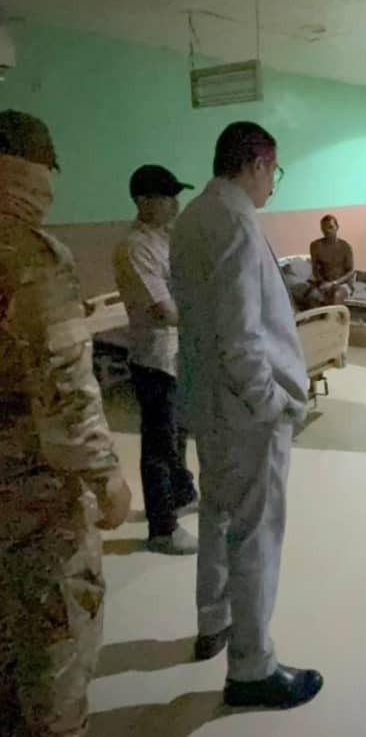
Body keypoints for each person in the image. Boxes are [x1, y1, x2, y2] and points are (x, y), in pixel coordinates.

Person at [170, 121, 323, 710]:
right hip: (245, 411)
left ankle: (213, 621)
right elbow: (241, 334)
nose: (273, 185)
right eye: (273, 172)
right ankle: (252, 667)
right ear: (256, 163)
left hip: (208, 401)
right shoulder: (236, 222)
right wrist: (272, 403)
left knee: (216, 511)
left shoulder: (192, 217)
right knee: (255, 533)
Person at [0, 109, 131, 737]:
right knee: (53, 666)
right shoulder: (30, 256)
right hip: (31, 503)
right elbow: (66, 393)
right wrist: (107, 479)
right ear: (37, 171)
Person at [113, 165, 198, 555]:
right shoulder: (135, 247)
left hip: (175, 354)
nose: (174, 204)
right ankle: (162, 528)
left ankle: (181, 496)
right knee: (159, 445)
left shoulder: (164, 240)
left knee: (177, 433)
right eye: (166, 197)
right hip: (155, 358)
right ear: (142, 201)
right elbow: (165, 310)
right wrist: (205, 317)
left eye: (175, 196)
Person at [307, 214, 356, 306]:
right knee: (312, 296)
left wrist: (334, 283)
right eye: (324, 228)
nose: (327, 231)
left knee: (336, 296)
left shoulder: (345, 246)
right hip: (323, 283)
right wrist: (322, 282)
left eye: (330, 227)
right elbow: (315, 268)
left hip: (341, 283)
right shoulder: (315, 246)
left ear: (337, 227)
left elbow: (351, 271)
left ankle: (335, 315)